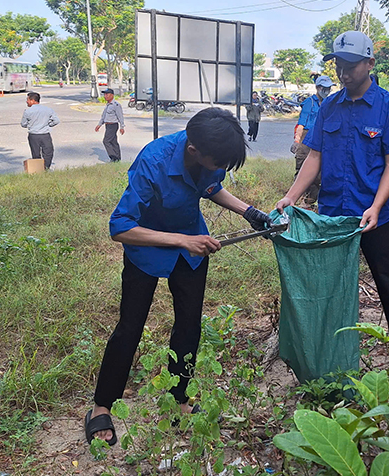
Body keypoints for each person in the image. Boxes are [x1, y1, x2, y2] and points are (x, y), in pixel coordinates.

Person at [85, 107, 272, 445]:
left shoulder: (205, 154)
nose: (218, 168)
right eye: (216, 161)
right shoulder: (154, 162)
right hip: (149, 248)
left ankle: (178, 400)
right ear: (193, 151)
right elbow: (121, 227)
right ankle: (101, 406)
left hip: (190, 247)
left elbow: (211, 185)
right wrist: (183, 241)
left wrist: (250, 213)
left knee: (189, 324)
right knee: (131, 326)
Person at [276, 30, 389, 386]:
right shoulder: (329, 107)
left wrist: (376, 205)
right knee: (328, 288)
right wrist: (291, 197)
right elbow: (315, 156)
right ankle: (328, 366)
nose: (343, 72)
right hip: (333, 219)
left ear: (369, 63)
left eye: (351, 65)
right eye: (339, 65)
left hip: (372, 218)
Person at [291, 75, 334, 204]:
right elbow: (301, 124)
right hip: (307, 137)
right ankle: (296, 200)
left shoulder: (330, 102)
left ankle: (311, 201)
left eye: (328, 88)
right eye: (323, 88)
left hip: (323, 137)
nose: (326, 90)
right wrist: (297, 141)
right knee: (302, 168)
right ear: (317, 88)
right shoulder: (309, 103)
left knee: (319, 173)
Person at [21, 92, 60, 170]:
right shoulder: (48, 110)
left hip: (33, 135)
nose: (26, 102)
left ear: (33, 100)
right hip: (45, 135)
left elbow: (23, 124)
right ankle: (46, 168)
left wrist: (31, 125)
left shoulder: (28, 111)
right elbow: (56, 121)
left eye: (28, 100)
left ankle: (38, 169)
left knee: (35, 154)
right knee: (48, 152)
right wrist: (48, 124)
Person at [95, 88, 125, 162]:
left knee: (106, 141)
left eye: (107, 94)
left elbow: (120, 116)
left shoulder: (116, 105)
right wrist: (99, 125)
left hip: (113, 125)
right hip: (107, 125)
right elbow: (103, 116)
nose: (105, 96)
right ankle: (117, 158)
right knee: (113, 142)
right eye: (104, 94)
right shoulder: (108, 105)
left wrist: (122, 127)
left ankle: (113, 157)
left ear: (112, 95)